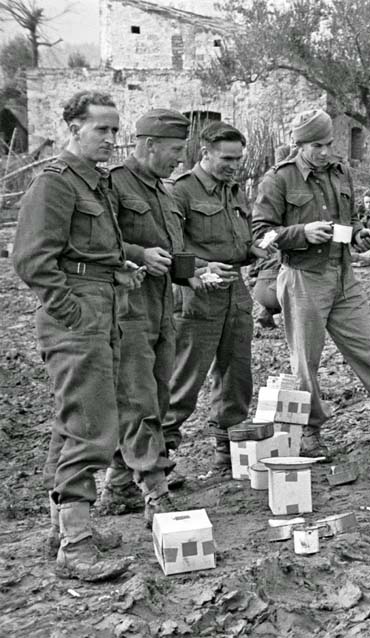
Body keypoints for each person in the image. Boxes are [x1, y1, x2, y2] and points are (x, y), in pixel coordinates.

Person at [12, 90, 140, 581]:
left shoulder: (96, 183)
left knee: (74, 420)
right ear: (73, 129)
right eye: (101, 129)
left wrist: (117, 270)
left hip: (101, 307)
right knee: (93, 425)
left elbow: (89, 249)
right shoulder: (56, 183)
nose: (111, 138)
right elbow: (30, 260)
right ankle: (77, 546)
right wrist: (72, 309)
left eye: (114, 129)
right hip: (78, 318)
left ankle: (62, 529)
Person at [252, 109, 370, 454]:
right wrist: (301, 233)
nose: (325, 152)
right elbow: (261, 235)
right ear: (300, 145)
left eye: (328, 144)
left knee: (369, 347)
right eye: (317, 146)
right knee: (306, 362)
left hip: (343, 274)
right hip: (303, 278)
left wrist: (359, 235)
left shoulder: (341, 173)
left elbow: (350, 220)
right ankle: (310, 432)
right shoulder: (278, 179)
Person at [97, 109, 196, 522]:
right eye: (174, 150)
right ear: (149, 144)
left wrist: (195, 273)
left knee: (156, 396)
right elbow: (97, 242)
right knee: (137, 400)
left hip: (161, 308)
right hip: (128, 308)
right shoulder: (113, 183)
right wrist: (138, 255)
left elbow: (173, 251)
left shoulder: (166, 192)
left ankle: (119, 488)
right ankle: (155, 489)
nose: (179, 159)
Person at [162, 122, 270, 470]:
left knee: (236, 376)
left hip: (235, 292)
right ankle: (159, 455)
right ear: (204, 153)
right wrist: (205, 266)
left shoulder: (233, 190)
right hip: (198, 294)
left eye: (238, 159)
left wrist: (254, 249)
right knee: (184, 379)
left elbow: (238, 239)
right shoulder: (180, 191)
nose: (234, 165)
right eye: (226, 158)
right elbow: (170, 247)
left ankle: (229, 450)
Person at [250, 249, 282, 329]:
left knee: (267, 304)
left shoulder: (261, 249)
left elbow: (251, 273)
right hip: (278, 288)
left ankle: (263, 321)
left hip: (260, 292)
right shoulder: (286, 248)